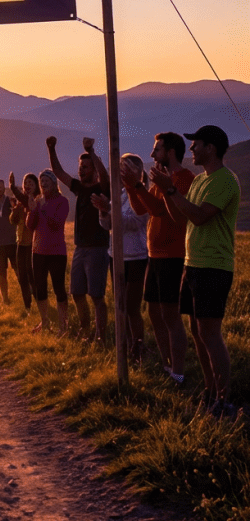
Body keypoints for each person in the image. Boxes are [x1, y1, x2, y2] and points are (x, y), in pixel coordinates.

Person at [150, 125, 240, 415]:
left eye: (196, 144)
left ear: (210, 148)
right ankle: (210, 391)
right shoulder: (201, 180)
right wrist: (167, 191)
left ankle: (224, 401)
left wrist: (171, 189)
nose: (191, 149)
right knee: (198, 332)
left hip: (213, 266)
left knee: (210, 334)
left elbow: (200, 217)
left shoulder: (224, 180)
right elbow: (181, 218)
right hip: (193, 264)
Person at [122, 132, 194, 384]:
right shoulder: (161, 179)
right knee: (154, 312)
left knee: (170, 315)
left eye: (157, 150)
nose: (152, 154)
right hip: (154, 254)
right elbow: (141, 208)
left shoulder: (183, 179)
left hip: (172, 255)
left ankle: (179, 372)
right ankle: (167, 365)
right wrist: (131, 186)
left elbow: (159, 209)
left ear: (170, 152)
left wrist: (138, 186)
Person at [47, 135, 110, 343]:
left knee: (97, 296)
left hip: (98, 248)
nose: (81, 170)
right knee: (77, 293)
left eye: (86, 167)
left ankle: (100, 336)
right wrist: (51, 148)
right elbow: (58, 172)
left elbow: (104, 175)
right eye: (80, 166)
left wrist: (91, 151)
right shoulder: (79, 188)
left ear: (94, 170)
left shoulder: (102, 188)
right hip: (80, 248)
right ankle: (85, 329)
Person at [92, 154, 150, 363]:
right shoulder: (121, 194)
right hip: (116, 255)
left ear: (138, 172)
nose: (122, 173)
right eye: (120, 168)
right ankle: (124, 345)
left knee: (132, 306)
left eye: (127, 168)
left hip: (136, 256)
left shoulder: (143, 194)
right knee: (120, 304)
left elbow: (135, 222)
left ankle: (138, 346)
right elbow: (107, 226)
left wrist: (110, 209)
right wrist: (103, 212)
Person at [25, 169, 70, 335]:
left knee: (59, 288)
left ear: (54, 183)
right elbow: (30, 226)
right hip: (38, 251)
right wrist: (31, 210)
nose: (43, 184)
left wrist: (42, 209)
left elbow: (56, 224)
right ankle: (44, 322)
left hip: (57, 252)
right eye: (41, 181)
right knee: (40, 289)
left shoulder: (62, 201)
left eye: (46, 181)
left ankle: (63, 326)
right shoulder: (38, 201)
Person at [8, 172, 40, 313]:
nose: (27, 186)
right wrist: (15, 209)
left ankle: (40, 303)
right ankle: (28, 307)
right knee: (22, 277)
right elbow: (13, 221)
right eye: (25, 183)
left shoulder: (37, 200)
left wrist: (13, 188)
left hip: (33, 245)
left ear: (36, 186)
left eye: (31, 183)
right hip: (21, 244)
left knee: (32, 277)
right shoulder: (21, 203)